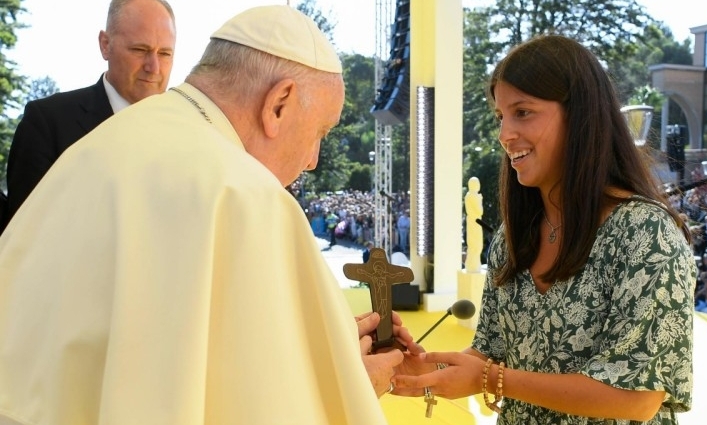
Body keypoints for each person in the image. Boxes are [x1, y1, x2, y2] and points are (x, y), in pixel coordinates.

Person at [0, 6, 418, 424]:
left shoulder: (95, 148)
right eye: (319, 133)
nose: (312, 160)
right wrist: (345, 388)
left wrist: (331, 349)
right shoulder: (244, 195)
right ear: (279, 102)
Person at [392, 35, 695, 424]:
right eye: (501, 116)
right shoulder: (513, 237)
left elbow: (636, 396)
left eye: (523, 112)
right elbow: (490, 352)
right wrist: (423, 368)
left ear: (580, 115)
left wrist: (492, 379)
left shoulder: (644, 233)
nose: (504, 134)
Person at [1, 0, 177, 233]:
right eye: (140, 50)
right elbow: (23, 239)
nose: (153, 67)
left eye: (164, 53)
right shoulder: (48, 122)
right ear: (105, 45)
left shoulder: (189, 134)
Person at [464, 176, 484, 272]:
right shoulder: (475, 196)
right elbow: (480, 211)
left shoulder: (468, 195)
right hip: (476, 222)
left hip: (472, 221)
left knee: (472, 245)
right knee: (477, 245)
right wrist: (480, 200)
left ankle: (471, 264)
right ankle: (474, 266)